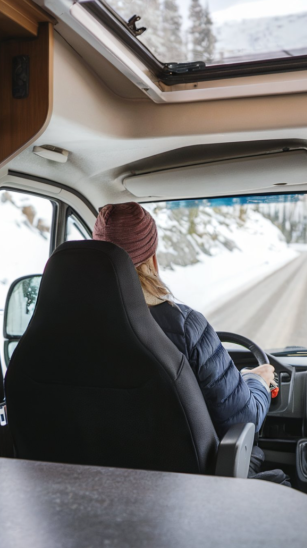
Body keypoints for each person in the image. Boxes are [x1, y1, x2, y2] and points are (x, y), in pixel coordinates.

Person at [92, 202, 289, 485]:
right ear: (152, 260)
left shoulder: (58, 331)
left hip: (87, 489)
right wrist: (255, 381)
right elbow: (243, 419)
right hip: (185, 495)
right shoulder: (185, 327)